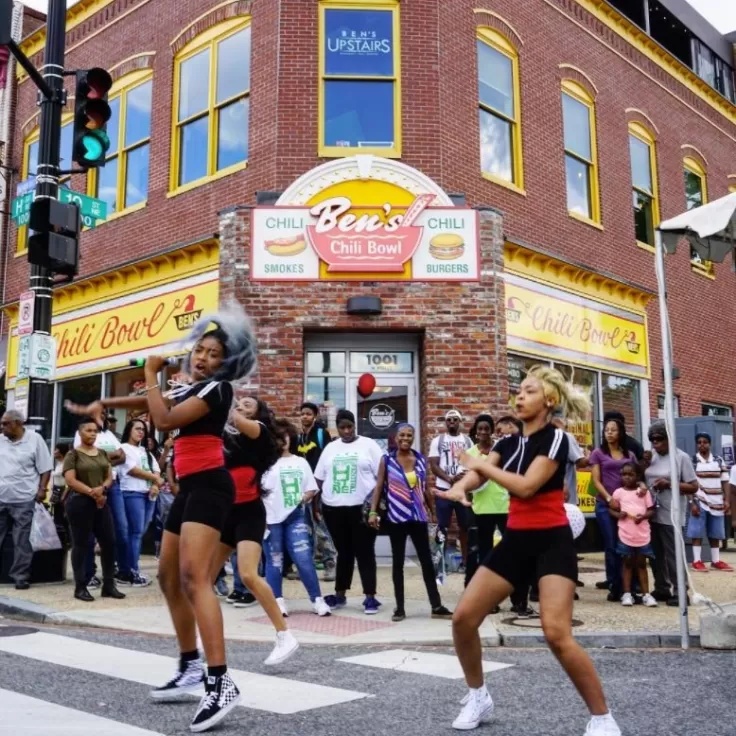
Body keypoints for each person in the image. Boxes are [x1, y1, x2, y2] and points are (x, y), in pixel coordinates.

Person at [66, 305, 256, 732]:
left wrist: (152, 375)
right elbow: (151, 402)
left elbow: (163, 417)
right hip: (188, 490)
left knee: (194, 580)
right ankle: (190, 666)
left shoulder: (217, 390)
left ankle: (220, 681)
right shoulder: (193, 388)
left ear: (226, 363)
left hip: (210, 487)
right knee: (169, 578)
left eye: (213, 354)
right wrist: (104, 400)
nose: (203, 358)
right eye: (200, 351)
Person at [437, 365, 621, 736]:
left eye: (529, 391)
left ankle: (602, 718)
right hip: (516, 541)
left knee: (556, 634)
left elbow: (525, 487)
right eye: (518, 390)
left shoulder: (555, 440)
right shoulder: (507, 444)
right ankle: (478, 695)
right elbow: (482, 472)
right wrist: (463, 486)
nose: (519, 396)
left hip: (551, 540)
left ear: (549, 400)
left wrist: (477, 468)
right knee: (463, 620)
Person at [213, 396, 301, 666]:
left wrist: (225, 397)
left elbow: (235, 418)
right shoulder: (228, 436)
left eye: (247, 404)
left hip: (249, 513)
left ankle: (285, 635)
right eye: (238, 404)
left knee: (248, 574)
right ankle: (205, 641)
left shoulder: (259, 431)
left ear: (259, 413)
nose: (240, 406)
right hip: (227, 512)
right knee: (201, 579)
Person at [368, 423, 452, 622]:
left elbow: (425, 488)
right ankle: (400, 608)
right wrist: (372, 511)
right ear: (395, 438)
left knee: (426, 562)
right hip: (396, 517)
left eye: (409, 435)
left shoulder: (420, 459)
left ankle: (436, 605)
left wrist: (432, 512)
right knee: (398, 563)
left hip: (418, 516)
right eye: (402, 435)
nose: (405, 438)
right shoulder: (387, 460)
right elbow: (379, 486)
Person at [314, 408, 383, 614]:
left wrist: (375, 508)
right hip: (333, 508)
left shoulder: (369, 445)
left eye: (349, 427)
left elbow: (382, 476)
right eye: (342, 427)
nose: (346, 431)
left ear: (355, 425)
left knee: (365, 552)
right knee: (343, 552)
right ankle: (340, 594)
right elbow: (318, 478)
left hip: (362, 509)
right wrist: (315, 505)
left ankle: (370, 597)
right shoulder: (330, 448)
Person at [262, 418, 331, 617]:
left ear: (290, 437)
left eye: (283, 436)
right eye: (276, 437)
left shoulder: (300, 462)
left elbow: (311, 488)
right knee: (274, 561)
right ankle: (277, 601)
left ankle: (317, 600)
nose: (281, 441)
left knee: (303, 558)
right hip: (270, 519)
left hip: (295, 517)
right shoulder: (265, 463)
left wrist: (302, 499)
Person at [63, 418, 126, 603]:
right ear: (80, 433)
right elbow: (71, 480)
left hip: (100, 501)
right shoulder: (73, 455)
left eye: (95, 431)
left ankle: (108, 585)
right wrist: (92, 492)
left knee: (109, 541)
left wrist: (103, 489)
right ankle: (80, 586)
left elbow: (109, 477)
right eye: (88, 430)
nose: (92, 434)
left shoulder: (102, 454)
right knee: (81, 544)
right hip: (80, 502)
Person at [644, 421, 698, 607]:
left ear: (669, 438)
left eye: (659, 440)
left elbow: (693, 486)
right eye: (652, 440)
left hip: (672, 514)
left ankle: (680, 590)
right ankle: (662, 587)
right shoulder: (652, 458)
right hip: (651, 512)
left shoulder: (680, 457)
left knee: (673, 554)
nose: (655, 444)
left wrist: (669, 484)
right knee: (655, 554)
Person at [0, 411, 53, 590]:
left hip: (24, 499)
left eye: (5, 424)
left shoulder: (35, 440)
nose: (2, 427)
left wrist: (42, 489)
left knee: (21, 540)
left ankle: (20, 576)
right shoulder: (1, 440)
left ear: (17, 423)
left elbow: (45, 468)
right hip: (1, 497)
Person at [588, 418, 638, 601]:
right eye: (606, 430)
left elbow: (635, 476)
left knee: (627, 544)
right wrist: (609, 499)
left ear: (621, 433)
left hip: (627, 506)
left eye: (613, 430)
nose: (609, 433)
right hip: (605, 505)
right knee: (611, 545)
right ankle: (614, 585)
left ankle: (631, 586)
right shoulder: (598, 453)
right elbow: (596, 480)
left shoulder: (629, 454)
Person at [462, 416, 507, 597]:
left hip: (505, 507)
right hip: (481, 509)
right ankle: (487, 597)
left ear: (492, 430)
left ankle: (517, 599)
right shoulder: (470, 453)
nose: (483, 432)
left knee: (509, 553)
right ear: (475, 431)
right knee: (485, 555)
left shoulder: (501, 450)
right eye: (480, 429)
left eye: (486, 429)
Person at [119, 418, 163, 586]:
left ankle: (130, 568)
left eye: (143, 430)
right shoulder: (123, 449)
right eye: (137, 429)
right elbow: (131, 469)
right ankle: (131, 570)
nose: (140, 432)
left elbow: (157, 471)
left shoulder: (146, 451)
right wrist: (154, 479)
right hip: (132, 492)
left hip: (148, 495)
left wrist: (155, 485)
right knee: (135, 532)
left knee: (139, 532)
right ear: (129, 430)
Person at [297, 401, 336, 582]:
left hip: (319, 487)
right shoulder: (298, 437)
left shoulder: (322, 434)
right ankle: (307, 566)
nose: (305, 416)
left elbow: (328, 460)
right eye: (302, 414)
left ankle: (330, 564)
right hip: (303, 489)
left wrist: (320, 486)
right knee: (305, 528)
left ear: (315, 416)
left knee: (320, 525)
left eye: (308, 414)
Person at [429, 409, 473, 569]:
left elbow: (472, 463)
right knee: (442, 527)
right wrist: (449, 479)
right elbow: (433, 465)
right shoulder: (438, 441)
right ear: (445, 422)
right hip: (444, 491)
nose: (452, 422)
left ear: (460, 421)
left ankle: (466, 562)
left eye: (455, 419)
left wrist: (462, 478)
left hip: (462, 492)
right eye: (449, 420)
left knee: (465, 527)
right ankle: (440, 563)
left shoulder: (468, 442)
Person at [608, 462, 657, 607]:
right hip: (625, 533)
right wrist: (618, 514)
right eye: (624, 474)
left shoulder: (644, 492)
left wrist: (643, 516)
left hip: (642, 534)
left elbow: (651, 510)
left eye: (631, 475)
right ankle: (627, 593)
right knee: (627, 563)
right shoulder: (618, 492)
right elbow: (610, 509)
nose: (627, 477)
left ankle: (646, 594)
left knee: (642, 564)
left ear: (638, 476)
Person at [687, 432, 733, 572]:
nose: (702, 444)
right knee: (697, 532)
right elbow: (688, 483)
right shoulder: (693, 460)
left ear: (710, 444)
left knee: (716, 532)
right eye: (699, 442)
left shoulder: (718, 460)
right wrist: (692, 503)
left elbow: (725, 481)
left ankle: (716, 561)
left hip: (717, 501)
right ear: (697, 444)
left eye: (705, 442)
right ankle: (697, 560)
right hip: (699, 500)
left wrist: (727, 500)